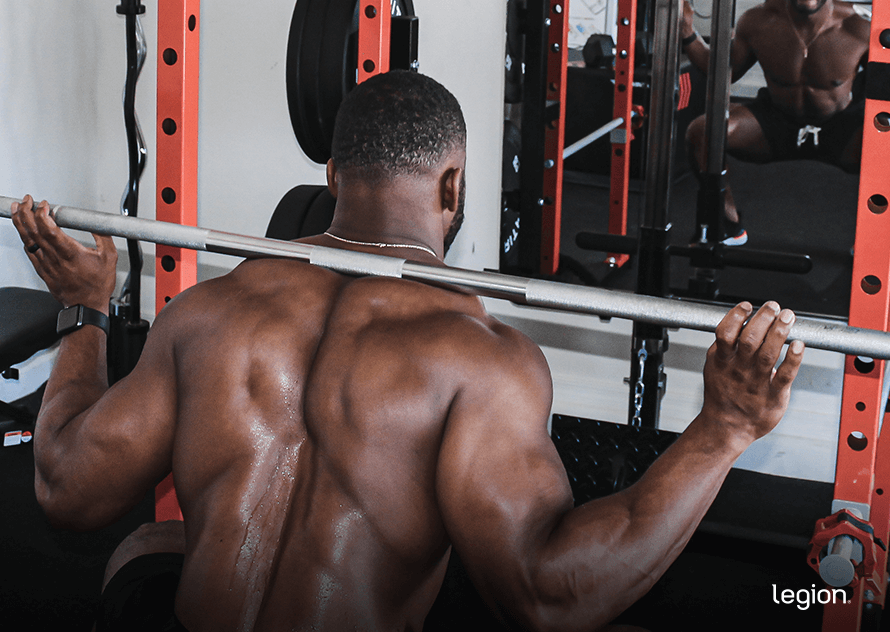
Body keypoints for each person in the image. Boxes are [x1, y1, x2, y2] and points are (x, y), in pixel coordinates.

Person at [11, 70, 804, 632]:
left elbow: (65, 486)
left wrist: (84, 306)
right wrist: (724, 428)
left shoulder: (205, 314)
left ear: (331, 176)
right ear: (452, 187)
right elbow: (550, 596)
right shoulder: (482, 361)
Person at [682, 0, 870, 244]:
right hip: (776, 123)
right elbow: (722, 71)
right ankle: (727, 224)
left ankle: (872, 242)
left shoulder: (860, 26)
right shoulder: (758, 21)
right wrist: (687, 33)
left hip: (839, 126)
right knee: (703, 132)